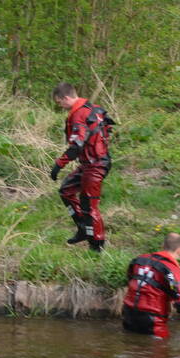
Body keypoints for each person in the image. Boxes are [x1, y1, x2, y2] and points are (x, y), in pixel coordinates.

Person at [49, 82, 114, 252]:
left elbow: (77, 144)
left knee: (89, 205)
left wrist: (58, 164)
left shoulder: (79, 114)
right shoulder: (93, 108)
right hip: (90, 163)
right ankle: (83, 228)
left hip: (96, 165)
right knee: (66, 190)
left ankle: (97, 245)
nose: (60, 106)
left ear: (66, 98)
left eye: (60, 102)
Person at [122, 233, 180, 339]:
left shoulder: (139, 260)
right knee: (161, 352)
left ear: (163, 245)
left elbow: (130, 279)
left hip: (128, 314)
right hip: (153, 321)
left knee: (131, 345)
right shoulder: (170, 268)